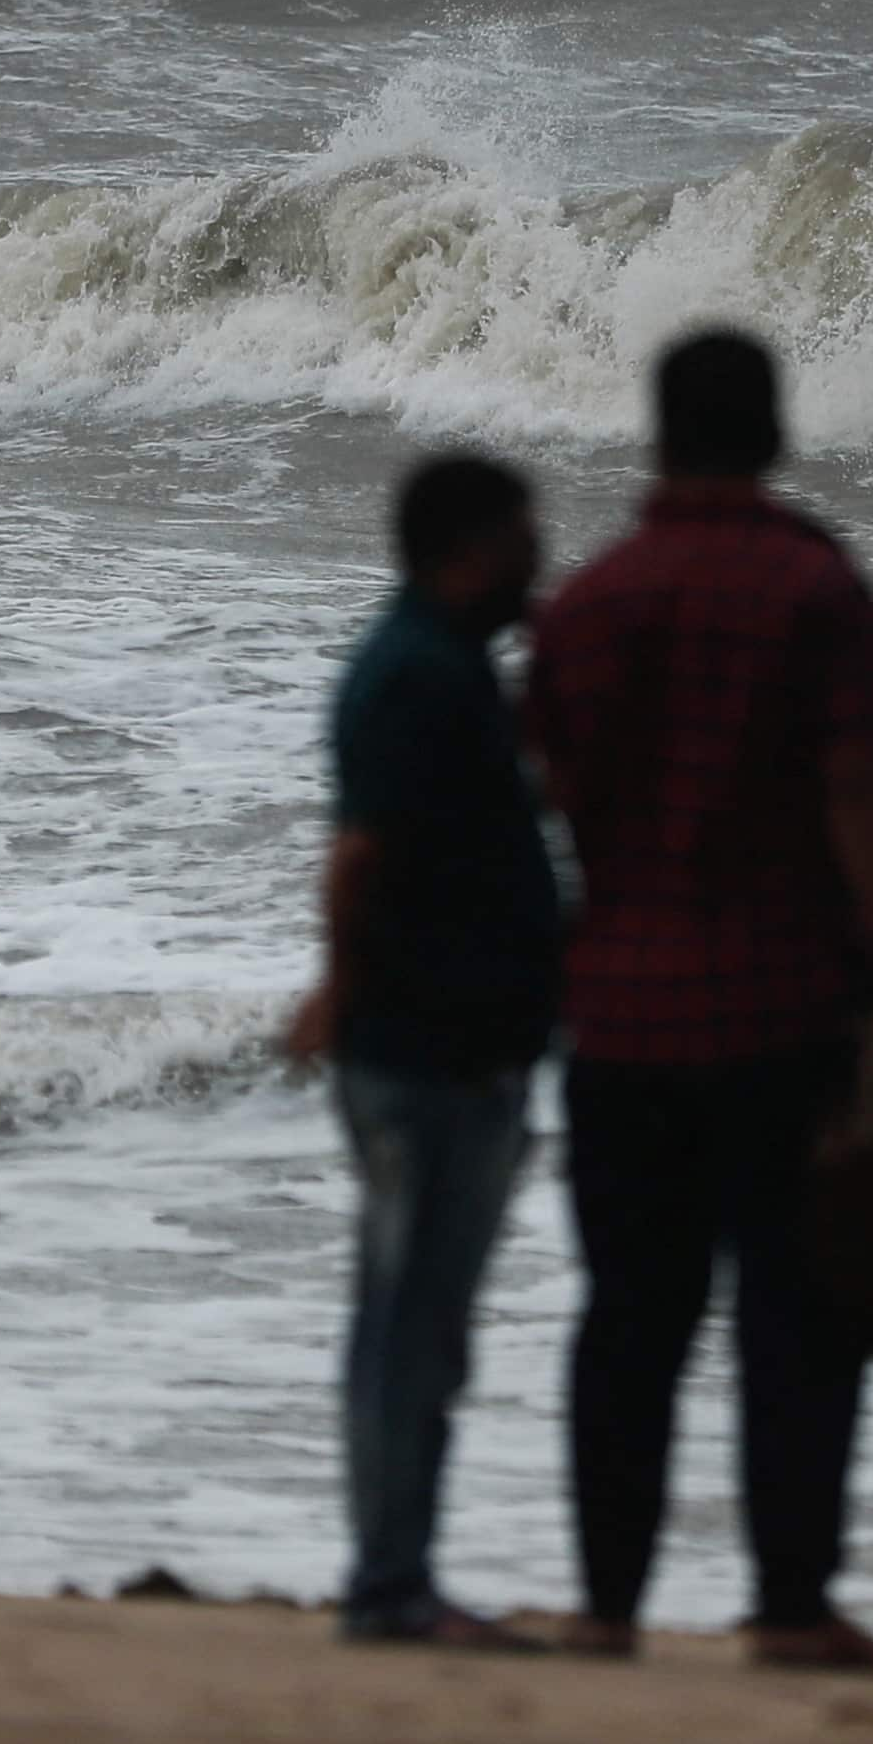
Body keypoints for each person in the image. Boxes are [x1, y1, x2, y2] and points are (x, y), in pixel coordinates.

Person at [524, 327, 873, 1677]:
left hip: (623, 1016)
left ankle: (605, 1606)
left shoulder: (588, 600)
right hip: (781, 1008)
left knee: (628, 1319)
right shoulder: (814, 589)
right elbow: (853, 792)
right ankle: (790, 1605)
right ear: (771, 433)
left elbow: (551, 800)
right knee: (796, 1315)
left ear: (659, 432)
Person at [283, 451, 564, 1651]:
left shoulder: (440, 667)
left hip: (451, 1046)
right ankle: (390, 1583)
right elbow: (359, 856)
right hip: (423, 1052)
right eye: (521, 537)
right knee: (410, 1327)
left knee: (416, 1325)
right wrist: (339, 989)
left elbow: (495, 816)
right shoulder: (416, 676)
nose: (538, 555)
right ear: (467, 549)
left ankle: (395, 1574)